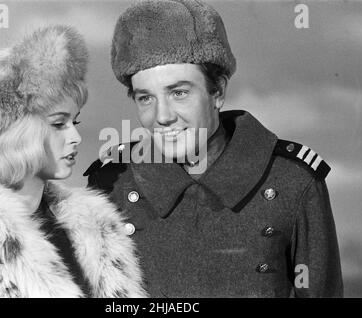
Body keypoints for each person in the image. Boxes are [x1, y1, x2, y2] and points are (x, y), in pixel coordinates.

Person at [85, 0, 343, 297]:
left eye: (179, 93)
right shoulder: (109, 184)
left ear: (218, 90)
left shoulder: (293, 181)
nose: (163, 116)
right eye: (145, 98)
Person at [0, 25, 146, 298]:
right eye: (59, 124)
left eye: (74, 121)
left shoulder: (92, 225)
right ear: (17, 136)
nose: (76, 137)